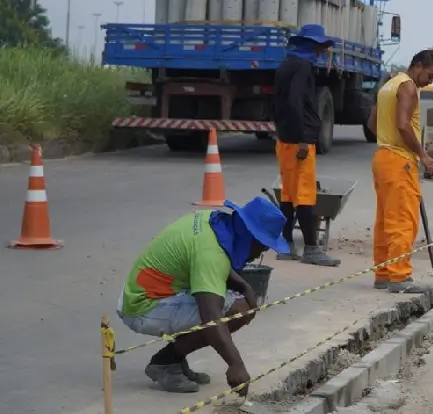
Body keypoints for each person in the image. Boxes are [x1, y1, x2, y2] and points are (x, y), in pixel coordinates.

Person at [116, 197, 291, 394]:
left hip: (144, 292)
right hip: (143, 307)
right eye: (263, 244)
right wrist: (236, 365)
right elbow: (211, 317)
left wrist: (243, 286)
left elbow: (217, 265)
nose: (265, 250)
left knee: (232, 300)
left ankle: (175, 358)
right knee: (239, 310)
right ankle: (165, 362)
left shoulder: (213, 222)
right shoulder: (211, 253)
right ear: (249, 235)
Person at [366, 49, 433, 293]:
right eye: (430, 75)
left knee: (385, 220)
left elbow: (371, 123)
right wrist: (422, 154)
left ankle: (384, 273)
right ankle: (399, 277)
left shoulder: (388, 85)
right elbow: (403, 125)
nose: (430, 81)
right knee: (403, 220)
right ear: (418, 65)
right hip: (400, 160)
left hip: (382, 157)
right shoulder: (408, 87)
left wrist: (387, 140)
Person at [272, 23, 340, 266]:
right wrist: (302, 138)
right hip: (299, 142)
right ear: (309, 46)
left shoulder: (285, 66)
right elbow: (295, 103)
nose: (321, 52)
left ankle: (286, 244)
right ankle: (311, 248)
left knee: (289, 194)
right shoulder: (302, 68)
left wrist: (286, 133)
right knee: (305, 196)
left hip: (284, 140)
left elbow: (281, 105)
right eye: (319, 46)